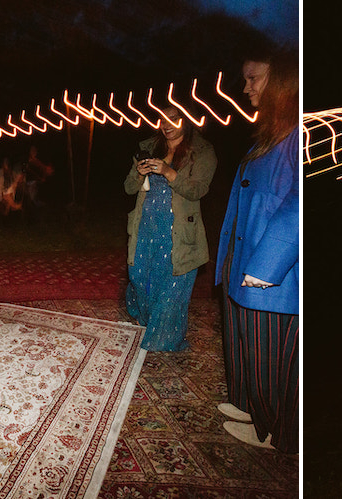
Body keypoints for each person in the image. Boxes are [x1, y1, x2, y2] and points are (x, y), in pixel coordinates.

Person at [214, 48, 299, 452]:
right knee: (244, 339)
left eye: (254, 78)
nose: (245, 87)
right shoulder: (273, 132)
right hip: (243, 259)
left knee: (270, 349)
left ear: (282, 80)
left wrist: (267, 264)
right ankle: (251, 406)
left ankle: (274, 431)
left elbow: (300, 202)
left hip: (270, 270)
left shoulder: (300, 133)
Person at [124, 106, 216, 351]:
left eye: (173, 118)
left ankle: (163, 338)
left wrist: (169, 172)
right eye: (162, 118)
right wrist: (137, 172)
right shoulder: (148, 145)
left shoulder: (203, 151)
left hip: (178, 230)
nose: (166, 124)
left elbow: (198, 190)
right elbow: (129, 188)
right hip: (145, 225)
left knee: (171, 285)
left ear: (188, 119)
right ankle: (145, 318)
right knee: (140, 277)